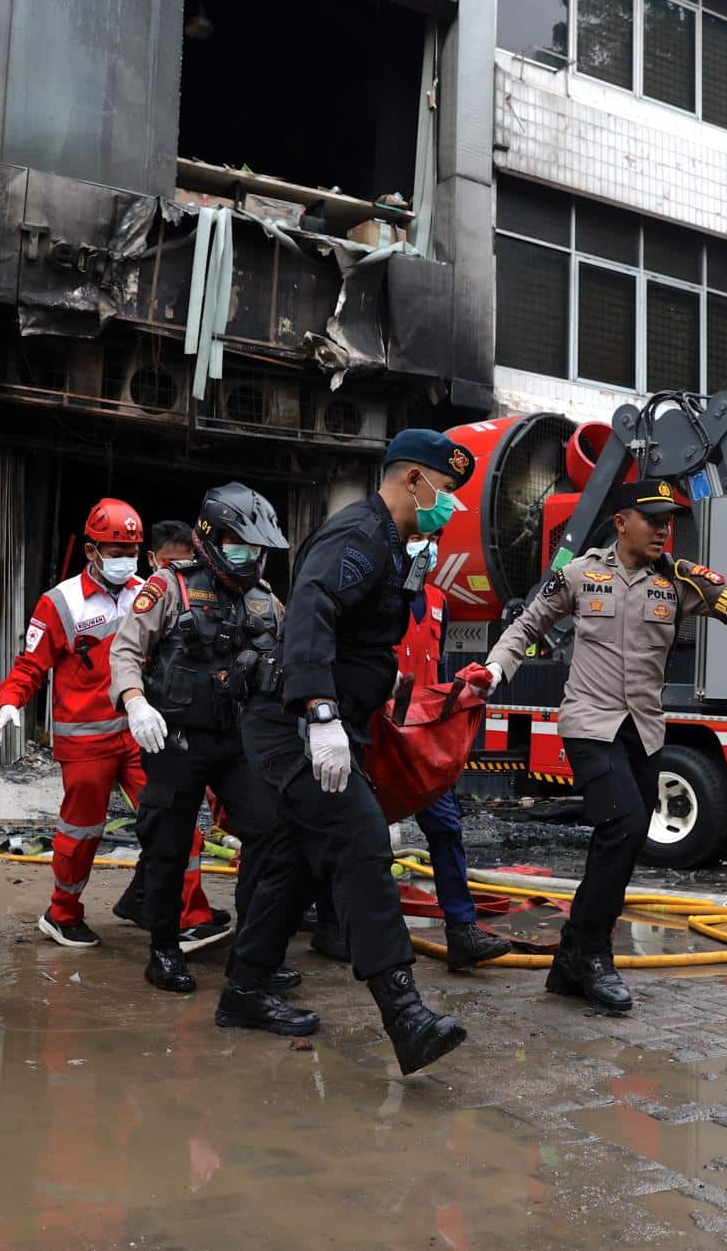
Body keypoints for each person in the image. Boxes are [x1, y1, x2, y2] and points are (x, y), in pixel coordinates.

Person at [469, 478, 727, 1014]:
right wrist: (498, 665)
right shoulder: (580, 575)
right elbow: (528, 623)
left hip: (646, 730)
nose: (663, 529)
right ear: (620, 522)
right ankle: (592, 955)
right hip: (590, 725)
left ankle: (570, 957)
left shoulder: (677, 580)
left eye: (669, 520)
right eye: (652, 519)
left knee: (625, 841)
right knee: (626, 824)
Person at [213, 429, 478, 1077]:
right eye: (444, 491)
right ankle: (405, 1015)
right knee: (361, 839)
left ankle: (244, 990)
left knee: (294, 859)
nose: (448, 505)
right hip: (297, 720)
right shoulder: (358, 533)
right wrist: (321, 710)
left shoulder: (395, 541)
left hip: (337, 720)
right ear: (412, 479)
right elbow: (312, 604)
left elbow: (373, 628)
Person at [0, 498, 217, 949]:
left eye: (131, 550)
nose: (124, 560)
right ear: (91, 552)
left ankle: (192, 917)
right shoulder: (61, 603)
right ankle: (62, 914)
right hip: (85, 743)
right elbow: (30, 665)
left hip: (139, 734)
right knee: (81, 834)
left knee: (175, 821)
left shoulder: (148, 593)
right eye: (115, 552)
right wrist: (11, 701)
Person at [109, 484, 292, 994]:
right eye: (240, 544)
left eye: (257, 549)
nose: (249, 556)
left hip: (240, 744)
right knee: (169, 847)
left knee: (272, 832)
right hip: (178, 741)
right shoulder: (170, 586)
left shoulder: (265, 599)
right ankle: (164, 951)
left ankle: (254, 955)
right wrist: (135, 701)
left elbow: (296, 653)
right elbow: (125, 651)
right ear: (211, 537)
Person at [112, 519, 230, 935]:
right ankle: (171, 922)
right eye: (168, 562)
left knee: (168, 829)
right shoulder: (157, 591)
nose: (178, 569)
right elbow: (125, 653)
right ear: (153, 559)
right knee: (162, 829)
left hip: (168, 727)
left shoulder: (206, 591)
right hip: (122, 723)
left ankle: (171, 908)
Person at [395, 551, 511, 971]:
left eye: (434, 539)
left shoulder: (438, 602)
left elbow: (439, 667)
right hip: (382, 735)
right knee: (361, 834)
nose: (426, 548)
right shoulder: (375, 596)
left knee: (445, 827)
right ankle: (336, 923)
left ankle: (462, 931)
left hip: (422, 737)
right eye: (419, 537)